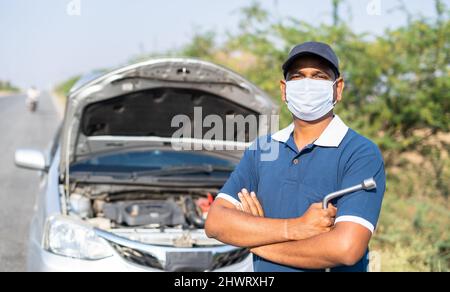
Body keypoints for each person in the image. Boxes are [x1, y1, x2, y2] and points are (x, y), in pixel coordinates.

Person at [205, 41, 386, 272]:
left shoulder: (360, 153)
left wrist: (257, 242)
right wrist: (295, 228)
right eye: (298, 76)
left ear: (337, 89)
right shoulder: (262, 150)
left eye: (319, 76)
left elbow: (346, 248)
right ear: (284, 89)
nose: (308, 84)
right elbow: (216, 223)